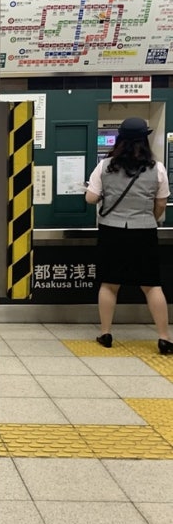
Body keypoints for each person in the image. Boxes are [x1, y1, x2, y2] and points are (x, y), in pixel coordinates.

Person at [85, 116, 173, 353]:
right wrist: (148, 217)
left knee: (109, 284)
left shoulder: (105, 166)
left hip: (111, 232)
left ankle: (106, 333)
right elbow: (161, 203)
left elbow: (91, 198)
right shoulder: (157, 168)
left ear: (120, 140)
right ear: (145, 140)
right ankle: (164, 338)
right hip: (144, 232)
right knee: (152, 285)